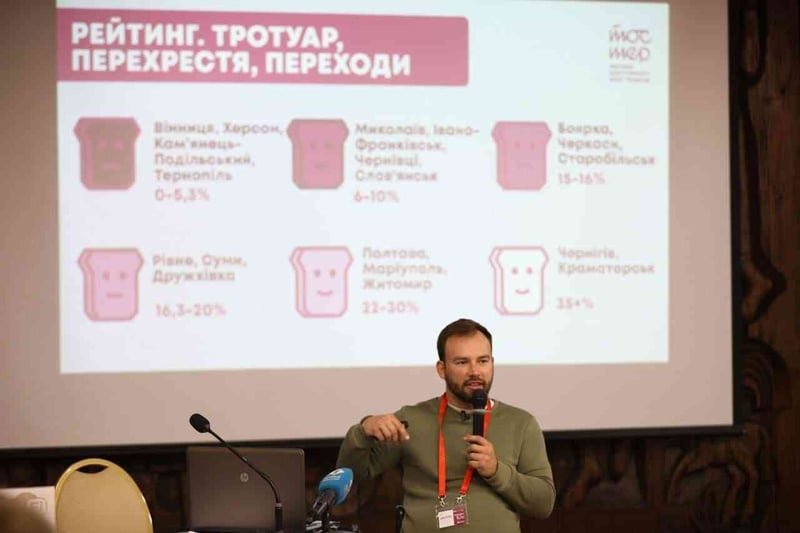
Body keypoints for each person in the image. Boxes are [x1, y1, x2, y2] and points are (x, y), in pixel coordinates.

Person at [336, 318, 555, 532]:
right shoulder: (411, 419)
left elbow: (543, 504)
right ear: (442, 369)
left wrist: (497, 470)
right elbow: (351, 476)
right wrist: (363, 430)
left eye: (483, 361)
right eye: (462, 362)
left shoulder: (520, 423)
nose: (475, 371)